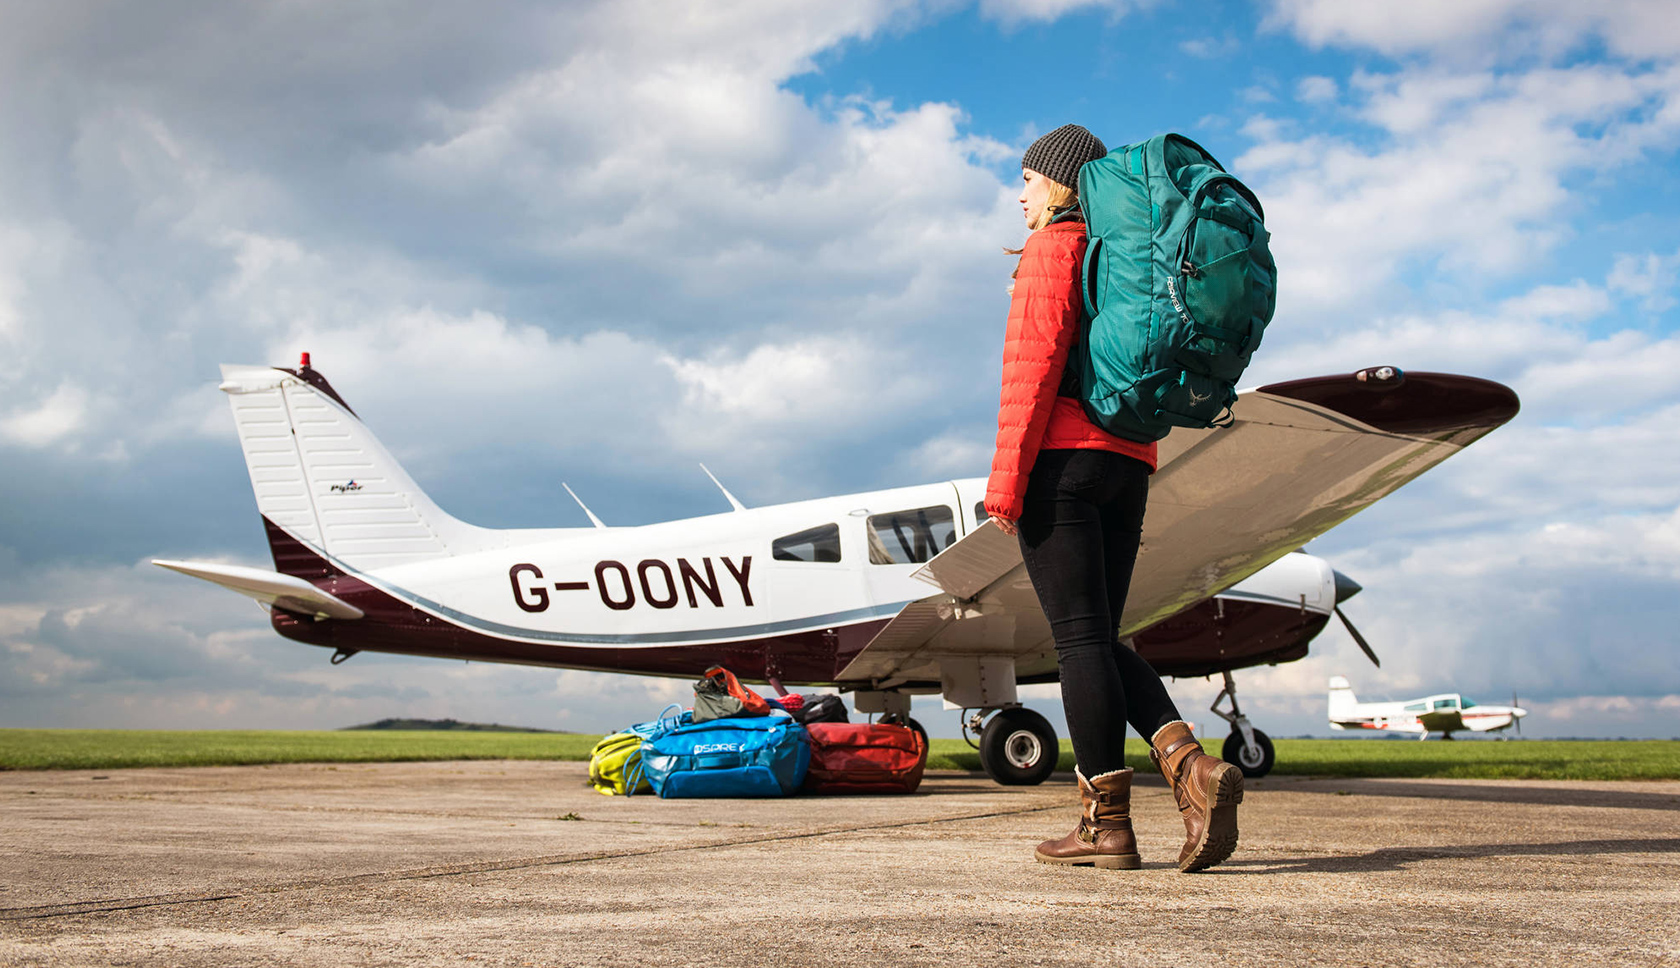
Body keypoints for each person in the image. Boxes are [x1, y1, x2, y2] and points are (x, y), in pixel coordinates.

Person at [983, 124, 1242, 873]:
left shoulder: (1054, 248)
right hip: (1130, 461)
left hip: (1061, 466)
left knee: (1077, 643)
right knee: (1101, 637)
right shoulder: (1126, 255)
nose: (1019, 191)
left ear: (1059, 182)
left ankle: (1107, 827)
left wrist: (1006, 486)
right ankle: (1191, 767)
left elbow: (1029, 375)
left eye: (1027, 177)